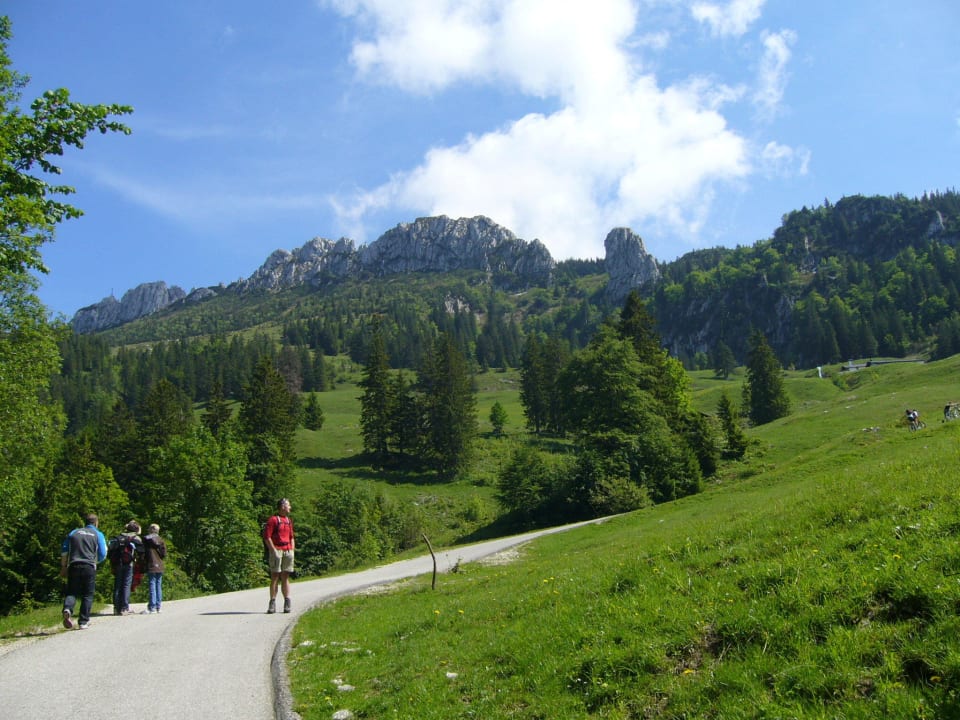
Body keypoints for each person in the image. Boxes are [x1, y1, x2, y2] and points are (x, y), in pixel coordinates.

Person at [61, 513, 108, 630]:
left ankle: (67, 608)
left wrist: (63, 566)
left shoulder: (74, 532)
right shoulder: (98, 534)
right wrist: (96, 561)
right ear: (96, 523)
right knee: (87, 594)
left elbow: (64, 550)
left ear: (85, 522)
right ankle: (83, 621)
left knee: (72, 591)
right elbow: (103, 553)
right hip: (89, 566)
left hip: (74, 564)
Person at [263, 498, 295, 614]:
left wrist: (292, 550)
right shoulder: (273, 520)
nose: (290, 508)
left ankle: (287, 602)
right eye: (288, 505)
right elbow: (267, 537)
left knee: (285, 576)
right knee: (275, 576)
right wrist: (273, 551)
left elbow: (291, 537)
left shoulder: (288, 520)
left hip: (287, 550)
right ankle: (272, 602)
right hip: (277, 550)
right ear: (282, 507)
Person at [111, 520, 144, 615]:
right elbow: (141, 551)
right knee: (126, 585)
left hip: (118, 564)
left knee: (117, 585)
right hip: (129, 564)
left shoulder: (118, 537)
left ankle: (116, 608)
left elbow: (111, 551)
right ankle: (125, 608)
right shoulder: (135, 538)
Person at [142, 523, 167, 614]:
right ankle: (158, 606)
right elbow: (164, 554)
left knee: (152, 584)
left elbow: (143, 552)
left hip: (151, 563)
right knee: (158, 585)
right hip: (159, 564)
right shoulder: (161, 540)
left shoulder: (146, 539)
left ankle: (152, 607)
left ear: (151, 529)